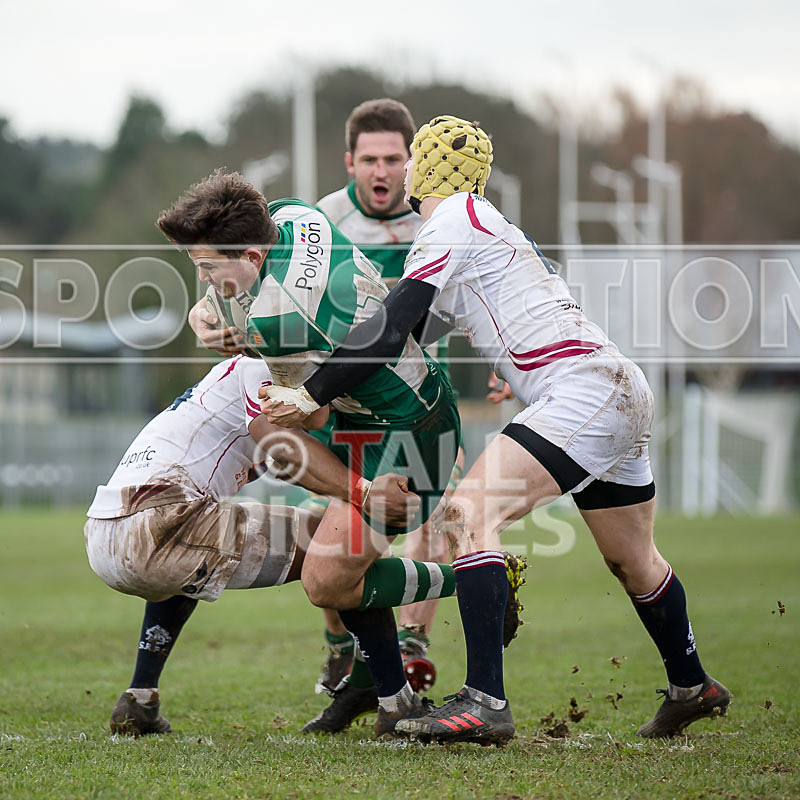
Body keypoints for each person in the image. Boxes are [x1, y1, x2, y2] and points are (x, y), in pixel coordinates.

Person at [259, 115, 732, 745]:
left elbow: (390, 330)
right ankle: (692, 686)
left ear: (422, 171)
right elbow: (420, 336)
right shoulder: (484, 225)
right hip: (613, 387)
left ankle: (485, 700)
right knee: (632, 560)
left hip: (585, 393)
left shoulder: (449, 220)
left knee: (463, 517)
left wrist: (309, 391)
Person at [155, 171, 518, 739]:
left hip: (408, 432)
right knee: (336, 554)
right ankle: (386, 691)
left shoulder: (276, 319)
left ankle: (480, 580)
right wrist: (212, 307)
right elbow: (248, 297)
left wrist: (234, 337)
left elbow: (312, 412)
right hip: (381, 409)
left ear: (250, 254)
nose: (203, 278)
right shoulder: (297, 216)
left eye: (206, 268)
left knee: (325, 575)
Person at [85, 354, 438, 736]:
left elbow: (311, 444)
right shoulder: (265, 370)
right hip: (161, 518)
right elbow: (286, 448)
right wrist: (366, 491)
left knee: (191, 567)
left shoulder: (239, 377)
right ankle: (397, 698)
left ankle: (140, 698)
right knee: (340, 554)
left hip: (106, 531)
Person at [312, 98, 463, 701]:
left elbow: (478, 294)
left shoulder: (440, 219)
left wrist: (505, 369)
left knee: (426, 509)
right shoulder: (321, 221)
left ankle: (411, 648)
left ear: (412, 162)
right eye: (369, 159)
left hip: (421, 401)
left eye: (394, 159)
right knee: (334, 527)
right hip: (344, 404)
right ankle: (341, 648)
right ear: (349, 162)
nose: (381, 172)